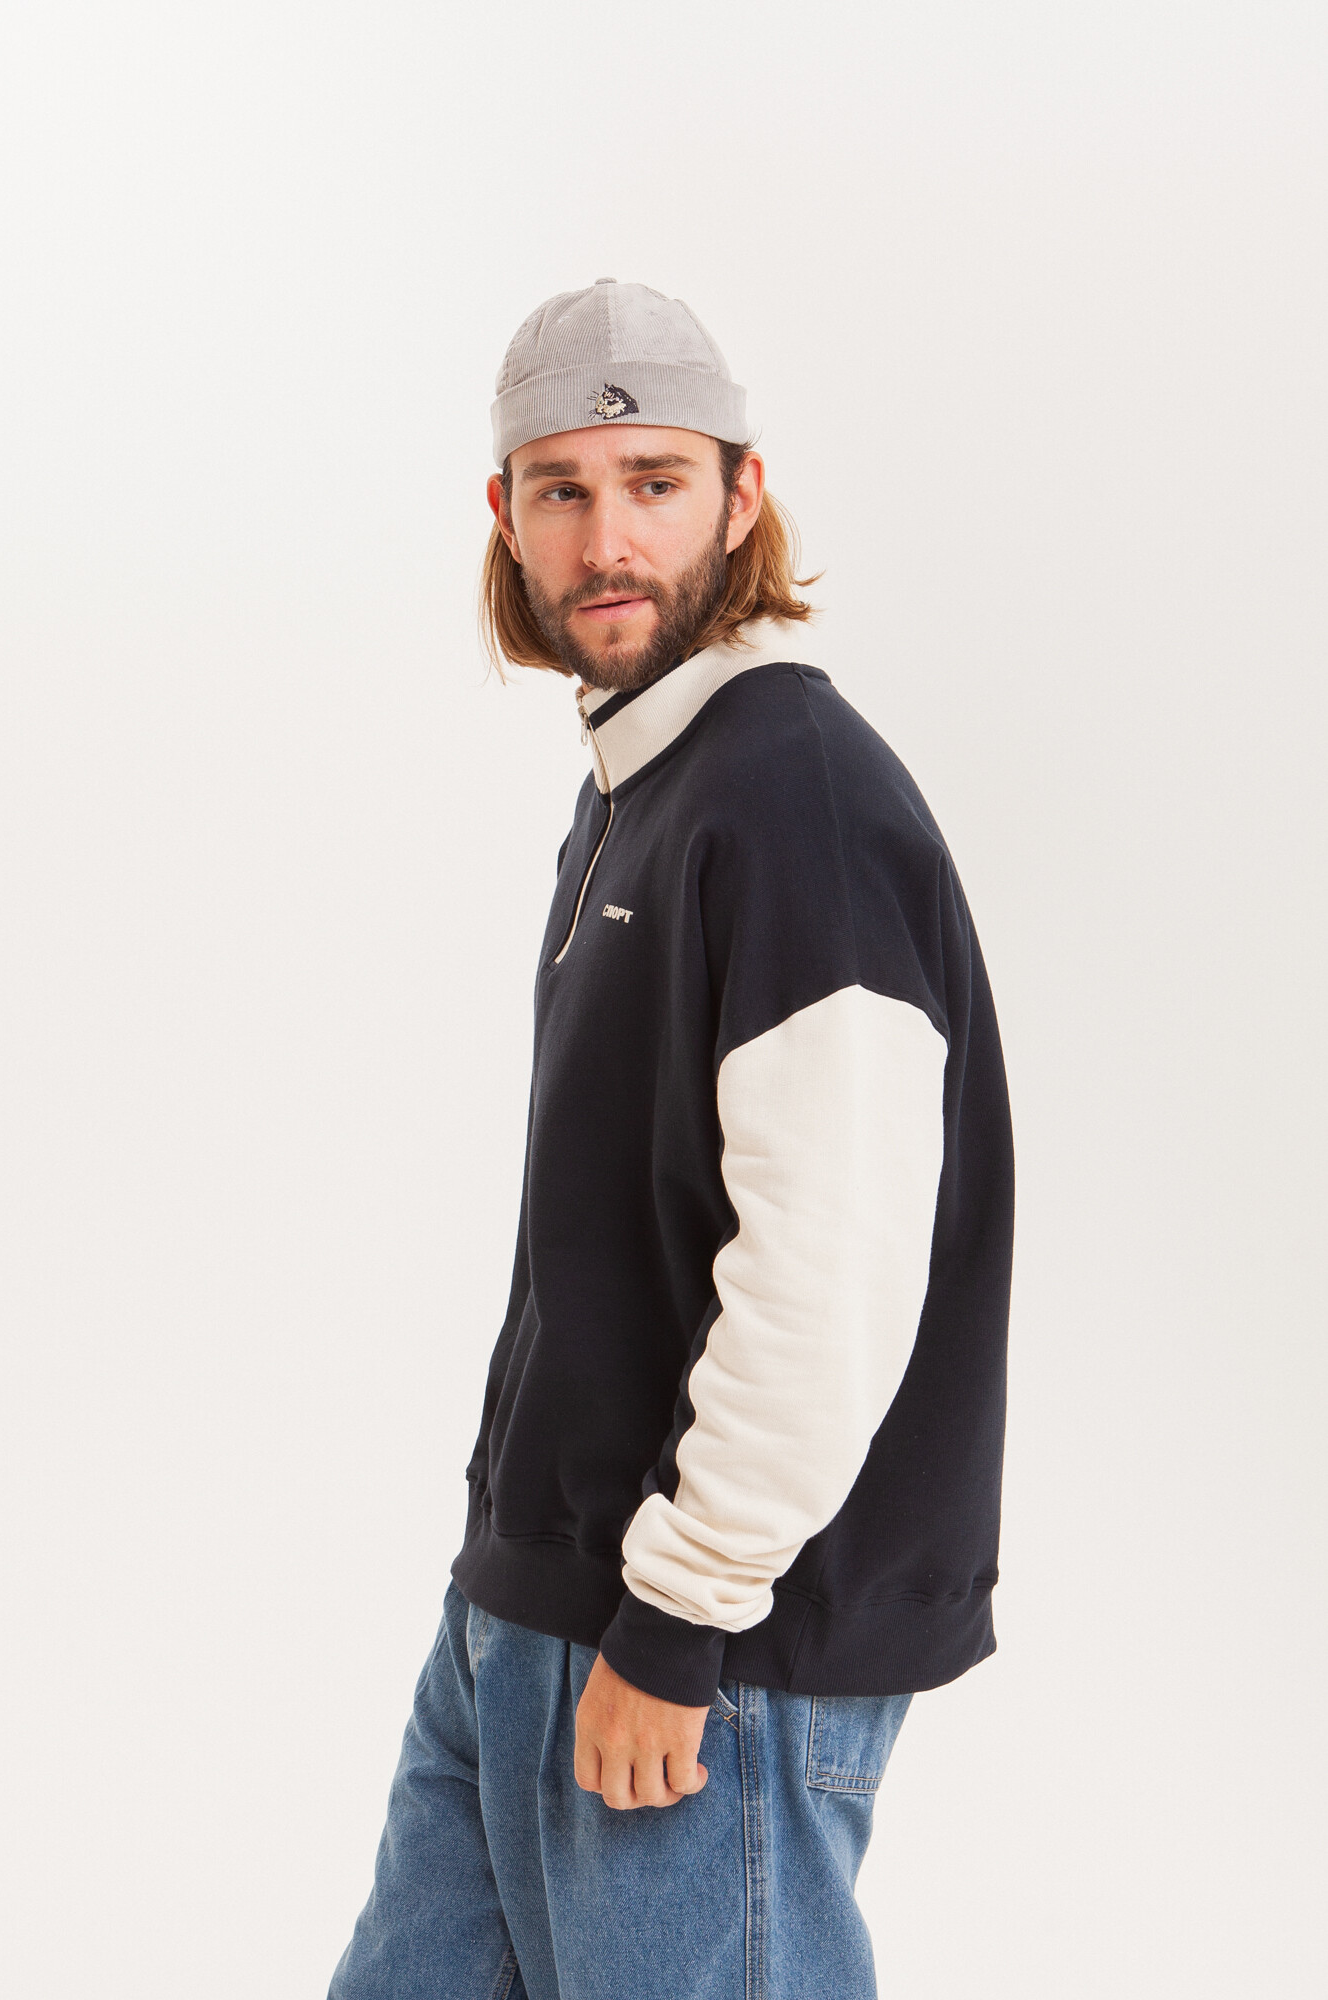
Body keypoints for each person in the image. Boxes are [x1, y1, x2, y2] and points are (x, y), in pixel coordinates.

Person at [328, 279, 1014, 2000]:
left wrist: (682, 1613)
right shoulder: (646, 788)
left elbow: (831, 1270)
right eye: (561, 489)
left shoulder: (795, 796)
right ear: (506, 517)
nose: (608, 538)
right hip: (526, 1613)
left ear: (742, 494)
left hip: (701, 1655)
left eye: (654, 481)